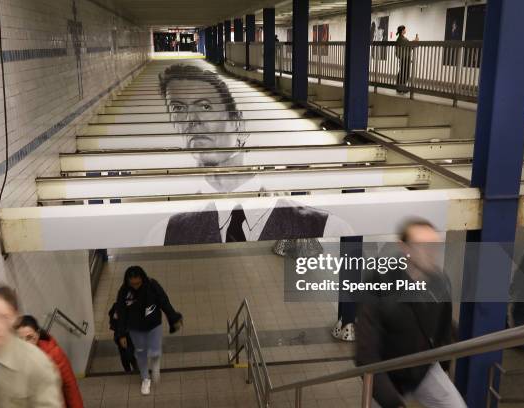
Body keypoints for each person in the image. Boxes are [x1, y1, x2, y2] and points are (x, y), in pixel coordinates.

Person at [156, 64, 353, 245]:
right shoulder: (166, 230)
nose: (191, 120)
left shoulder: (328, 227)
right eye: (178, 108)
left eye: (205, 106)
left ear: (238, 123)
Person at [355, 219, 466, 408]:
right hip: (387, 376)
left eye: (435, 246)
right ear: (403, 247)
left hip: (423, 369)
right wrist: (392, 402)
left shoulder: (439, 281)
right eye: (422, 246)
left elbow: (444, 325)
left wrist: (446, 360)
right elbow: (366, 353)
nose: (431, 253)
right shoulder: (379, 281)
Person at [115, 266, 183, 395]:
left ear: (142, 279)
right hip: (135, 328)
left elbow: (164, 301)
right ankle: (145, 378)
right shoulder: (124, 291)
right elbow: (121, 312)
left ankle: (155, 366)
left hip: (153, 325)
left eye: (138, 283)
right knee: (140, 352)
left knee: (155, 350)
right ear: (128, 281)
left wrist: (174, 318)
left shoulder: (152, 285)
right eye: (132, 284)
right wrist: (121, 334)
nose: (135, 286)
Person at [15, 315, 84, 408]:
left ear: (38, 334)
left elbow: (70, 387)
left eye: (29, 337)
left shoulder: (53, 353)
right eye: (20, 339)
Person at [109, 301, 139, 372]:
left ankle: (135, 367)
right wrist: (120, 336)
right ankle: (129, 370)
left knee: (130, 354)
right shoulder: (118, 306)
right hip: (122, 336)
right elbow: (114, 321)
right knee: (124, 355)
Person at [395, 25, 412, 94]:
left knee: (402, 72)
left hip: (403, 58)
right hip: (405, 58)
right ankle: (402, 87)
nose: (405, 30)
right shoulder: (402, 39)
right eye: (405, 29)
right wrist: (415, 41)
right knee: (405, 73)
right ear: (402, 31)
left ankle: (399, 87)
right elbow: (410, 45)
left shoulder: (400, 38)